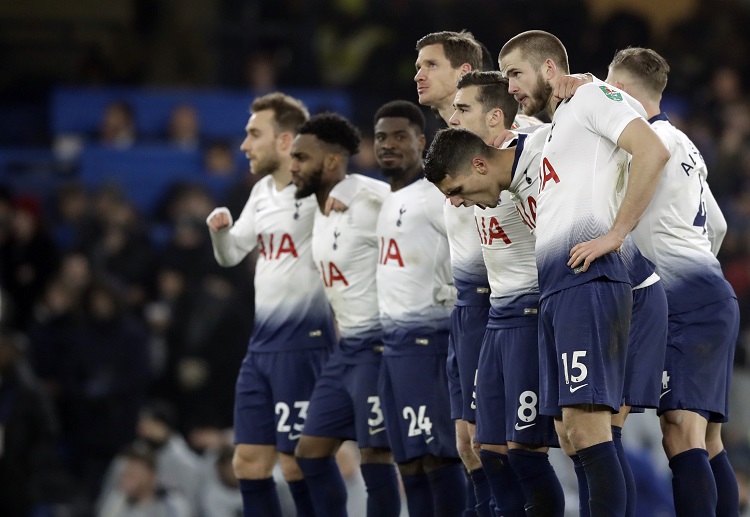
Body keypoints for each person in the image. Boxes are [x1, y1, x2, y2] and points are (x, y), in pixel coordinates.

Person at [498, 30, 670, 516]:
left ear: (549, 69)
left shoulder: (592, 97)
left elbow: (652, 151)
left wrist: (616, 232)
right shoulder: (554, 130)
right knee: (574, 435)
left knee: (589, 430)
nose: (510, 86)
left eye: (516, 72)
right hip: (559, 287)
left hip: (590, 282)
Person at [604, 47, 740, 517]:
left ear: (618, 92)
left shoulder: (642, 148)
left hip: (684, 302)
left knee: (680, 428)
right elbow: (717, 226)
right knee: (706, 438)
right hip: (708, 292)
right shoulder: (685, 144)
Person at [206, 92, 336, 517]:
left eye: (253, 134)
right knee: (247, 463)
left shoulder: (321, 190)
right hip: (260, 349)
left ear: (284, 141)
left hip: (303, 345)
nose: (244, 145)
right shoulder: (261, 191)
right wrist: (221, 233)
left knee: (298, 464)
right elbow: (230, 254)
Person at [444, 70, 565, 516]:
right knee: (486, 447)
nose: (454, 118)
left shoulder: (537, 150)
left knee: (525, 451)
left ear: (496, 116)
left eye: (463, 109)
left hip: (532, 313)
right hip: (493, 314)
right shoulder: (467, 160)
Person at [289, 112, 400, 516]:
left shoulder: (364, 199)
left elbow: (414, 203)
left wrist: (357, 185)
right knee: (311, 454)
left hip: (380, 346)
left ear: (333, 161)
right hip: (345, 350)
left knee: (376, 457)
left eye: (302, 157)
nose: (293, 166)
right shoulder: (317, 212)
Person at [414, 30, 492, 515]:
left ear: (464, 73)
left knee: (495, 444)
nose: (417, 74)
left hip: (501, 302)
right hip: (465, 305)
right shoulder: (444, 146)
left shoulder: (500, 134)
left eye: (430, 65)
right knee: (466, 444)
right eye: (417, 65)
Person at [97, 442, 191, 517]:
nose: (128, 472)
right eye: (128, 467)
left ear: (152, 475)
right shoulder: (116, 503)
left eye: (136, 469)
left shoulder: (172, 504)